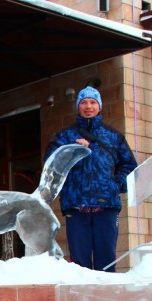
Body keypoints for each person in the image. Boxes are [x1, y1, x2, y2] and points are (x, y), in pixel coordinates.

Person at [45, 86, 137, 272]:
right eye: (84, 102)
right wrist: (71, 149)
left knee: (107, 261)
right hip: (76, 207)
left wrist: (115, 185)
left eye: (93, 102)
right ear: (78, 106)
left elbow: (130, 167)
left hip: (106, 206)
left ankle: (107, 300)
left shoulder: (113, 136)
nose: (88, 106)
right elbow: (51, 165)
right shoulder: (64, 136)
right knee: (79, 265)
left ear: (99, 106)